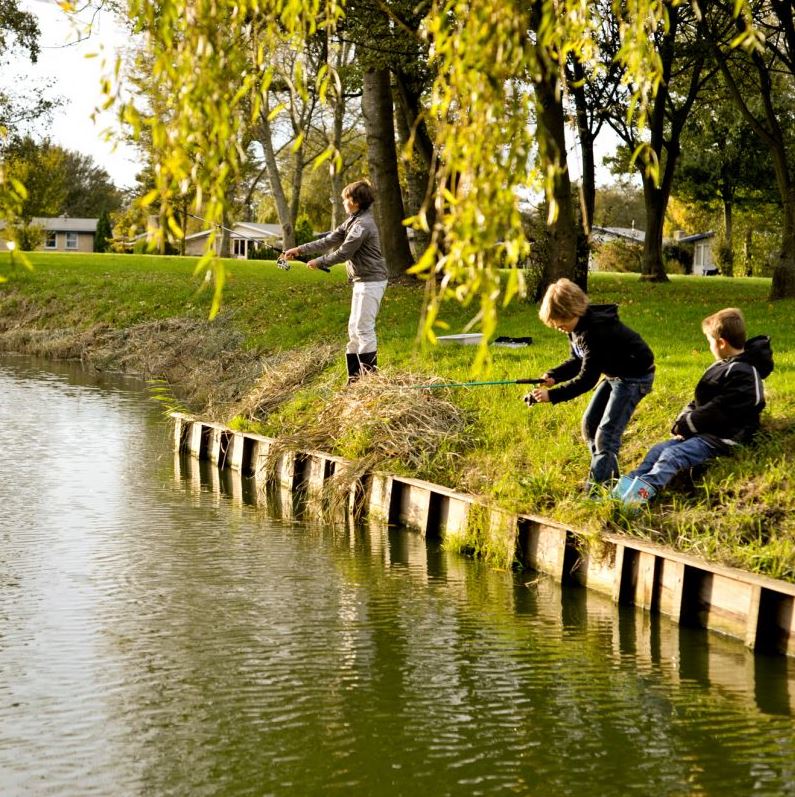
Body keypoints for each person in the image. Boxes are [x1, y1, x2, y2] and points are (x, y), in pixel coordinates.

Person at [613, 307, 773, 507]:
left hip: (724, 437)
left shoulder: (745, 373)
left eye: (709, 341)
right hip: (704, 433)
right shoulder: (722, 366)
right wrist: (683, 420)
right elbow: (699, 400)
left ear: (721, 343)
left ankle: (633, 502)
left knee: (672, 456)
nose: (710, 346)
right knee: (658, 450)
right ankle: (618, 495)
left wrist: (689, 423)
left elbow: (722, 409)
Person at [530, 278, 655, 491]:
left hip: (634, 378)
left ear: (574, 311)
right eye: (555, 324)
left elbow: (587, 379)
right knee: (590, 424)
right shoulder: (575, 328)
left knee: (607, 434)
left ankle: (597, 491)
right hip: (616, 374)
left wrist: (553, 395)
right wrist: (554, 375)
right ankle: (608, 476)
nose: (559, 328)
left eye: (561, 322)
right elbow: (578, 360)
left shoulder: (595, 332)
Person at [283, 179, 389, 384]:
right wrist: (300, 250)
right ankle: (355, 380)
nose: (343, 202)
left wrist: (318, 261)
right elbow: (329, 240)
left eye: (345, 199)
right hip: (361, 281)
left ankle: (370, 381)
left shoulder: (362, 225)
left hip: (372, 281)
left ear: (355, 201)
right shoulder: (352, 220)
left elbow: (343, 253)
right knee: (353, 329)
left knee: (364, 329)